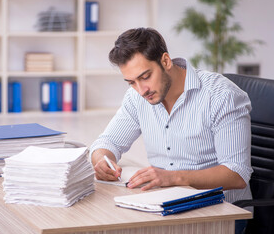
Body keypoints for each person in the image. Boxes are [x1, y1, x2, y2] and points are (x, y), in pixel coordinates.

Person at [89, 28, 252, 233]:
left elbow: (237, 174)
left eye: (146, 76)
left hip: (221, 214)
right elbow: (107, 142)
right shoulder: (137, 98)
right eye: (131, 82)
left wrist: (173, 177)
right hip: (163, 207)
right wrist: (102, 161)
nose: (141, 90)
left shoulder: (221, 96)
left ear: (166, 61)